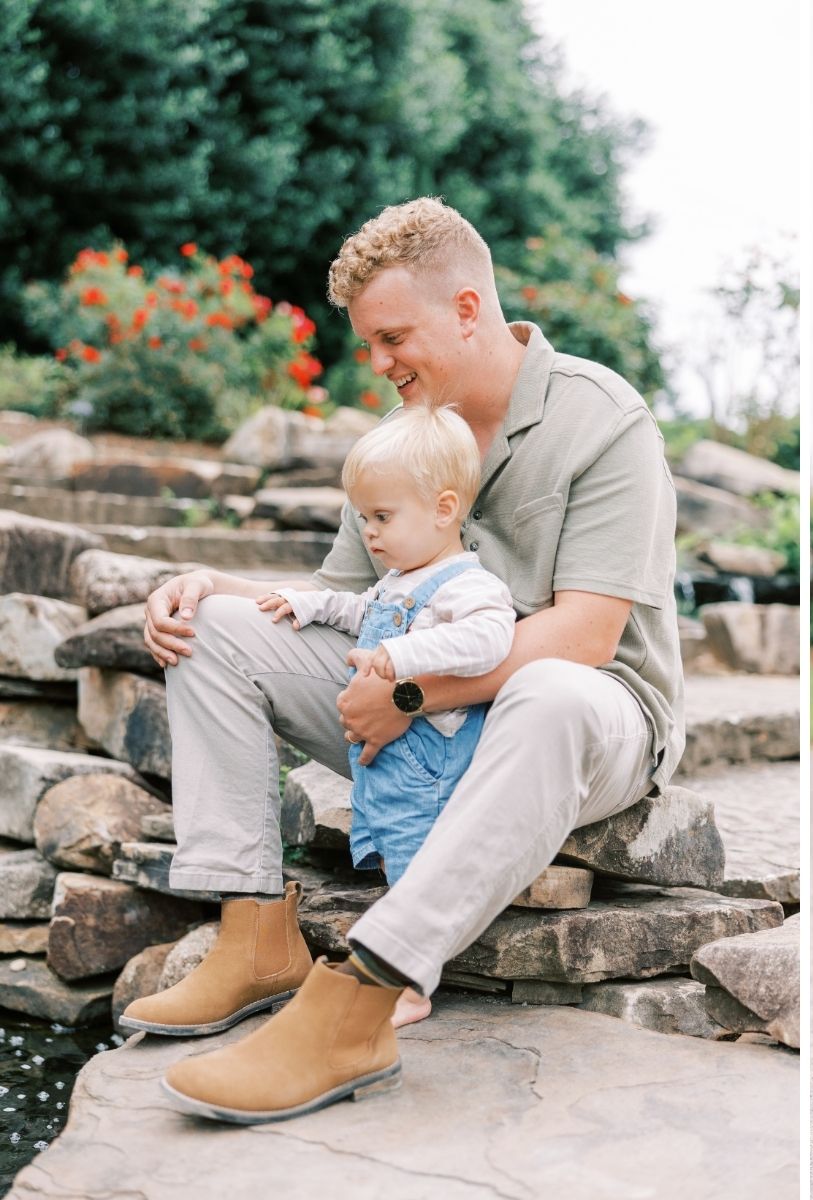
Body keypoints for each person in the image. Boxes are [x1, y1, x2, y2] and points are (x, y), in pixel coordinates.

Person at [125, 196, 683, 1124]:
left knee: (550, 689)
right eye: (369, 345)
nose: (378, 365)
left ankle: (362, 999)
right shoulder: (401, 441)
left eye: (392, 338)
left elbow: (586, 638)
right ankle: (254, 934)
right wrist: (206, 586)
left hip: (589, 720)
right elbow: (339, 605)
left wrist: (415, 695)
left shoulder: (605, 420)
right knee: (214, 629)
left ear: (468, 308)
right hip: (428, 728)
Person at [256, 402, 517, 1029]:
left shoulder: (466, 583)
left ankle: (410, 984)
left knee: (414, 864)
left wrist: (400, 656)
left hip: (431, 764)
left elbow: (490, 641)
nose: (369, 533)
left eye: (382, 516)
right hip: (389, 767)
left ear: (444, 510)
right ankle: (393, 967)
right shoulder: (399, 578)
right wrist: (307, 603)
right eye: (363, 518)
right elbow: (357, 612)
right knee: (392, 855)